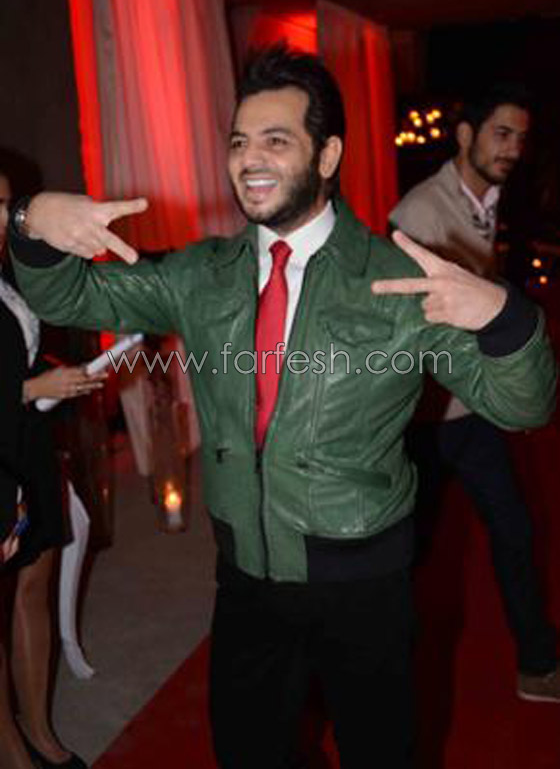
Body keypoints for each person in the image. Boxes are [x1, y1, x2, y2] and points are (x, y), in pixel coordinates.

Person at [7, 47, 557, 769]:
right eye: (239, 141)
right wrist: (32, 221)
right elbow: (68, 295)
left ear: (327, 155)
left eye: (276, 139)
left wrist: (503, 318)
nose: (249, 159)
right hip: (246, 577)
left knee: (381, 755)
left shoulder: (398, 278)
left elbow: (523, 406)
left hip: (363, 580)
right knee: (248, 752)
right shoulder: (203, 273)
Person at [390, 85, 560, 703]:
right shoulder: (421, 212)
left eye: (520, 137)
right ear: (465, 136)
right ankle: (375, 674)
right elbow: (411, 327)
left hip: (471, 408)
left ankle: (537, 663)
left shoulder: (486, 198)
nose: (513, 148)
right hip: (428, 415)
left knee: (514, 530)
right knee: (406, 551)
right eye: (501, 134)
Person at [0, 163, 105, 769]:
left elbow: (16, 352)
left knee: (32, 586)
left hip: (28, 443)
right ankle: (11, 750)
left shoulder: (7, 272)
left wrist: (53, 374)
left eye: (5, 205)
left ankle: (38, 731)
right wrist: (31, 387)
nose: (2, 219)